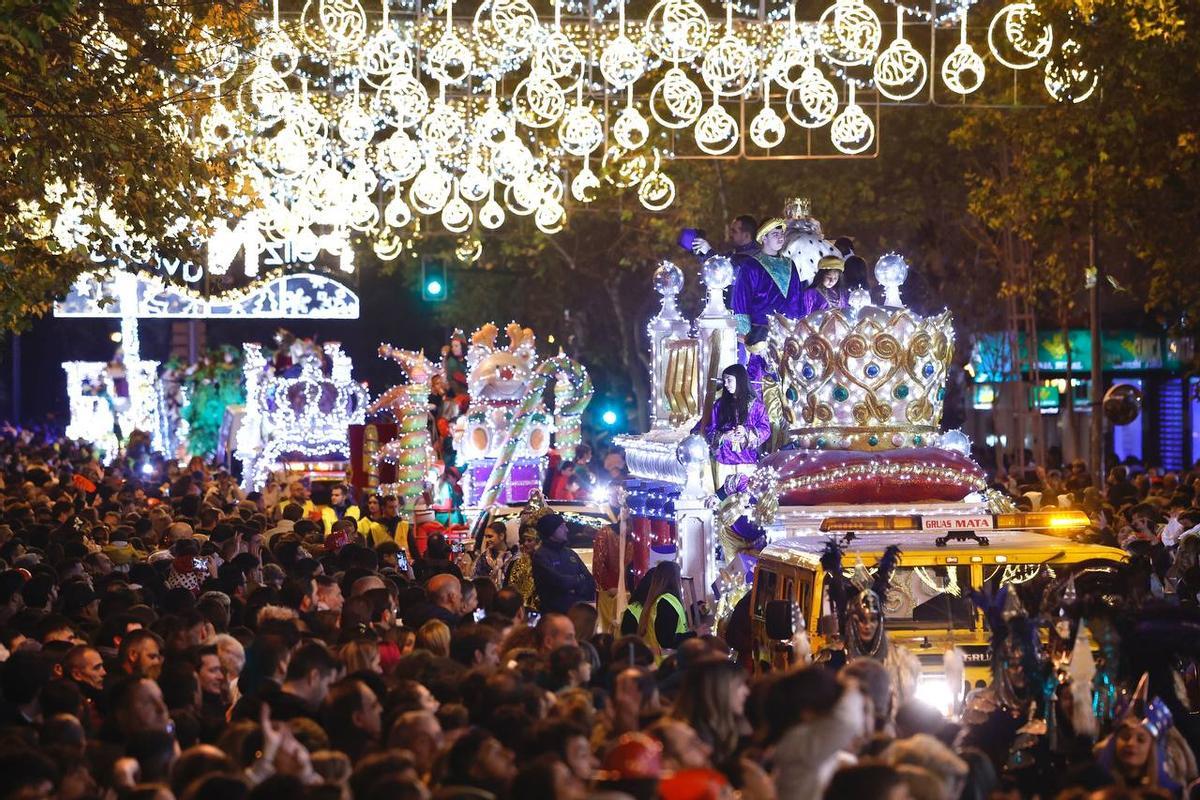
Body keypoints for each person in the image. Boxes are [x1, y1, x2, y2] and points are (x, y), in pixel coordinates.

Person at [731, 217, 807, 346]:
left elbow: (798, 298)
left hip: (790, 335)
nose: (781, 237)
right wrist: (745, 334)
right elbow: (741, 300)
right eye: (775, 234)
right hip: (761, 334)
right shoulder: (751, 265)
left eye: (782, 234)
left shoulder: (790, 264)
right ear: (764, 238)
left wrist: (801, 329)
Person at [704, 364, 770, 466]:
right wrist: (723, 436)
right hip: (722, 460)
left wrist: (746, 432)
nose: (725, 384)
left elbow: (765, 430)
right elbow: (709, 430)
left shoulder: (757, 406)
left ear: (740, 380)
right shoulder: (720, 405)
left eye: (729, 380)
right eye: (724, 381)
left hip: (748, 460)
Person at [531, 514, 594, 614]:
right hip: (554, 616)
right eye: (562, 527)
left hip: (577, 612)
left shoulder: (570, 553)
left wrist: (576, 587)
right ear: (551, 531)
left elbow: (589, 580)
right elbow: (558, 581)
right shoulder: (541, 556)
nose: (567, 530)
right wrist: (578, 580)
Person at [689, 214, 760, 260]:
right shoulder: (735, 253)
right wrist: (701, 253)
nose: (730, 234)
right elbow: (720, 261)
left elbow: (726, 269)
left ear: (746, 235)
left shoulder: (752, 258)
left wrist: (708, 252)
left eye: (734, 231)